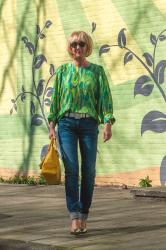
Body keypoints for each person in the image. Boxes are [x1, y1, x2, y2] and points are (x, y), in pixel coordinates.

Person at [48, 31, 115, 235]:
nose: (78, 47)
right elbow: (56, 100)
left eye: (82, 44)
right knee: (71, 170)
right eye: (74, 44)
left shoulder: (97, 71)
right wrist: (52, 125)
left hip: (88, 125)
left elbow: (104, 98)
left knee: (89, 171)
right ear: (70, 47)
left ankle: (84, 214)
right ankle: (74, 216)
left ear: (88, 47)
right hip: (66, 123)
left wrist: (107, 123)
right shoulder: (62, 72)